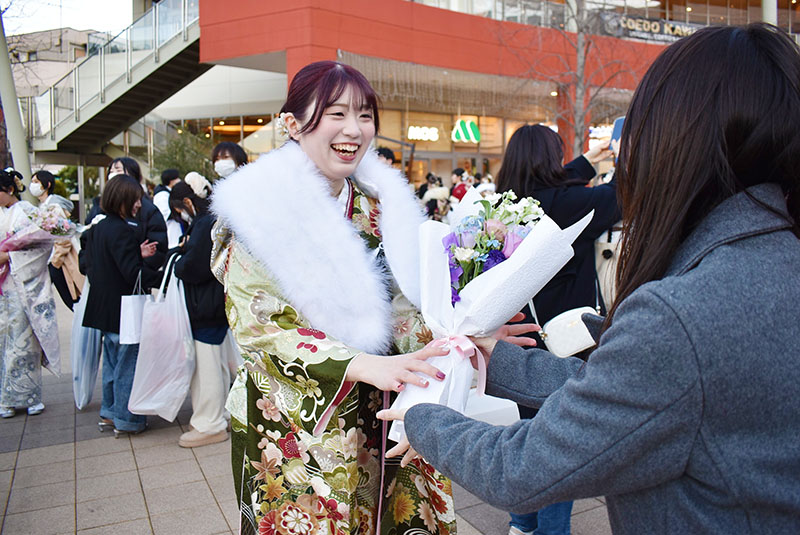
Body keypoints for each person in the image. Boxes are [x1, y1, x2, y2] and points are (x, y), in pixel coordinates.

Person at [379, 23, 800, 534]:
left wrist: (423, 418)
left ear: (677, 142)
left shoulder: (680, 313)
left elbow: (523, 466)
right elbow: (636, 395)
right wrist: (498, 357)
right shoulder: (774, 258)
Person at [210, 60, 458, 535]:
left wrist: (460, 337)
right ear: (292, 124)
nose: (354, 130)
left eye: (365, 115)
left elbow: (407, 304)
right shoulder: (259, 208)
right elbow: (261, 324)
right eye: (336, 113)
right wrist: (358, 364)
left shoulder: (380, 205)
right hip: (296, 418)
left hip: (383, 401)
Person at [492, 125, 616, 535]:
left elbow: (555, 186)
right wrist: (624, 151)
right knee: (560, 442)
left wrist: (589, 161)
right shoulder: (567, 204)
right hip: (565, 339)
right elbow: (621, 195)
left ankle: (521, 523)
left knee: (529, 433)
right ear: (551, 160)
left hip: (518, 335)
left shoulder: (506, 204)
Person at [80, 175, 160, 436]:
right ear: (124, 199)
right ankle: (127, 419)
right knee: (128, 365)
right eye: (136, 199)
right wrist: (163, 277)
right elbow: (132, 273)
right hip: (124, 310)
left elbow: (98, 263)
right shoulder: (123, 230)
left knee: (112, 364)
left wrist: (136, 253)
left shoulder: (99, 227)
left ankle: (110, 412)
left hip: (103, 308)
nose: (139, 204)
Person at [169, 181, 231, 448]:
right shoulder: (217, 217)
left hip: (205, 305)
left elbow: (195, 266)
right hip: (217, 304)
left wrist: (178, 260)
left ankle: (209, 423)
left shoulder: (204, 223)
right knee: (217, 365)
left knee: (207, 369)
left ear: (187, 202)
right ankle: (221, 415)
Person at [0, 169, 60, 418]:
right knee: (4, 343)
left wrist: (8, 256)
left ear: (9, 190)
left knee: (24, 341)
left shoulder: (27, 212)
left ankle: (30, 396)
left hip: (21, 285)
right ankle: (5, 398)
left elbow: (40, 248)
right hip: (3, 286)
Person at [30, 170, 84, 310]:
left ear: (47, 185)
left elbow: (63, 237)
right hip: (52, 260)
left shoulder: (54, 207)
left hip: (60, 261)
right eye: (32, 182)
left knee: (73, 300)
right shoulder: (43, 207)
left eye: (36, 182)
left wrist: (55, 262)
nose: (33, 185)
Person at [105, 157, 167, 269]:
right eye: (111, 171)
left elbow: (156, 250)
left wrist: (138, 271)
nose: (113, 175)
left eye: (118, 170)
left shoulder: (147, 210)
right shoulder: (103, 206)